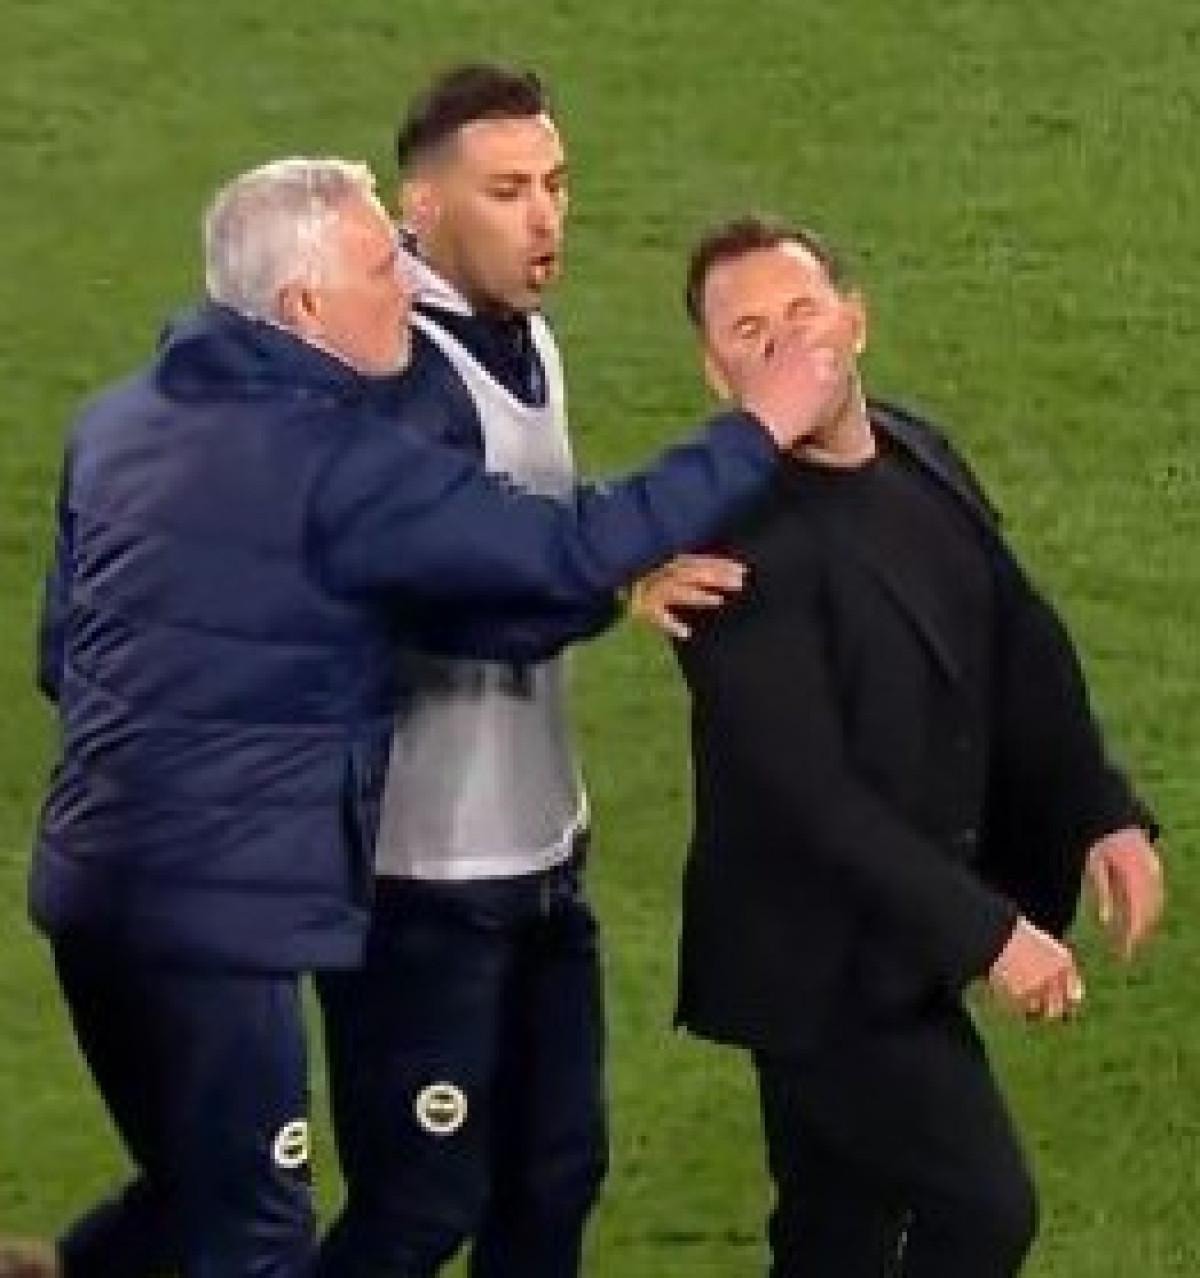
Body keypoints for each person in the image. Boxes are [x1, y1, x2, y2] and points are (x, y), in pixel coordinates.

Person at [6, 168, 849, 1278]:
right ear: (304, 306)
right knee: (259, 1237)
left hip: (87, 890)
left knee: (188, 1192)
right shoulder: (338, 462)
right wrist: (761, 425)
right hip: (217, 920)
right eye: (379, 269)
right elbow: (572, 548)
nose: (406, 288)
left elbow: (62, 656)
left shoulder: (121, 422)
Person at [665, 215, 1164, 1277]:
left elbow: (1018, 639)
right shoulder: (730, 546)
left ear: (856, 320)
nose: (785, 343)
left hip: (891, 938)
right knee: (982, 1209)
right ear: (718, 375)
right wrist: (991, 936)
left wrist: (1101, 810)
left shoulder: (913, 447)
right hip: (818, 972)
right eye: (749, 333)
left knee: (833, 1231)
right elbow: (813, 799)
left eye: (802, 311)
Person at [314, 64, 745, 1278]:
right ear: (421, 205)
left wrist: (605, 559)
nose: (546, 216)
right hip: (421, 882)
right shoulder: (392, 372)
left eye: (556, 183)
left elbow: (534, 525)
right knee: (418, 1209)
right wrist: (609, 581)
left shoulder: (523, 334)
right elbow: (448, 602)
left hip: (543, 854)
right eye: (507, 191)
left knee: (555, 1178)